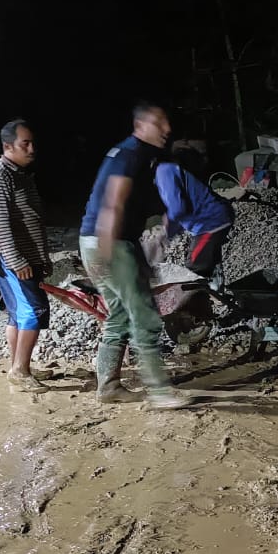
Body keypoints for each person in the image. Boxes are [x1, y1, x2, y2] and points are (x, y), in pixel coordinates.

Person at [79, 103, 189, 408]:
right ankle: (160, 392)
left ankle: (109, 386)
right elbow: (114, 201)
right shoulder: (132, 154)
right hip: (111, 241)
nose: (166, 129)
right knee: (145, 316)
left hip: (93, 240)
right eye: (159, 123)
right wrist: (111, 251)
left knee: (120, 315)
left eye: (167, 122)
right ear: (140, 125)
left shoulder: (133, 153)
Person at [0, 119, 52, 388]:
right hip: (13, 259)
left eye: (33, 142)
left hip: (22, 257)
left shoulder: (18, 174)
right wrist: (17, 260)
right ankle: (20, 371)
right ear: (7, 146)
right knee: (34, 310)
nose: (32, 148)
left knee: (17, 314)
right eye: (25, 144)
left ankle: (19, 368)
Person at [152, 155, 235, 281]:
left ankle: (205, 295)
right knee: (209, 265)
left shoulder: (163, 171)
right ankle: (216, 292)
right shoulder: (165, 171)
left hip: (210, 222)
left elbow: (177, 208)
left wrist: (166, 227)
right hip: (213, 218)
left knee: (193, 271)